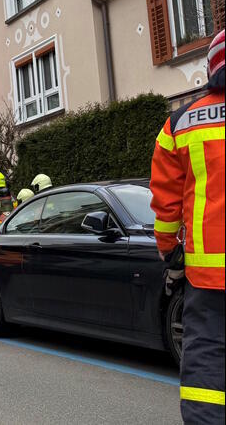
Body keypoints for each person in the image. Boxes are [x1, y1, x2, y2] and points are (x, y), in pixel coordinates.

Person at [150, 30, 224, 425]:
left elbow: (166, 203)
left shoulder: (180, 124)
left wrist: (170, 253)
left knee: (207, 361)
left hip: (208, 280)